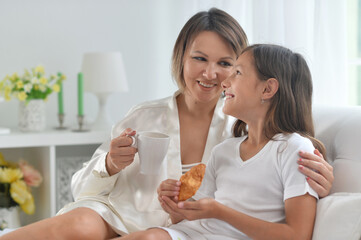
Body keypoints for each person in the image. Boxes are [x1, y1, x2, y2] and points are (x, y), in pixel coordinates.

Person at [0, 8, 333, 240]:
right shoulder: (145, 115)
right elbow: (79, 188)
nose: (210, 73)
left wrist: (322, 178)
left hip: (178, 227)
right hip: (120, 213)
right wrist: (110, 163)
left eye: (226, 64)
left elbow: (284, 153)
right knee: (80, 229)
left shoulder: (240, 128)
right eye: (199, 59)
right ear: (181, 58)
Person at [117, 44, 324, 240]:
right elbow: (193, 217)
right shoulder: (224, 150)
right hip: (188, 233)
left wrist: (221, 212)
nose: (225, 82)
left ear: (267, 89)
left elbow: (298, 235)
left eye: (238, 73)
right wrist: (175, 205)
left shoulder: (294, 150)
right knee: (149, 236)